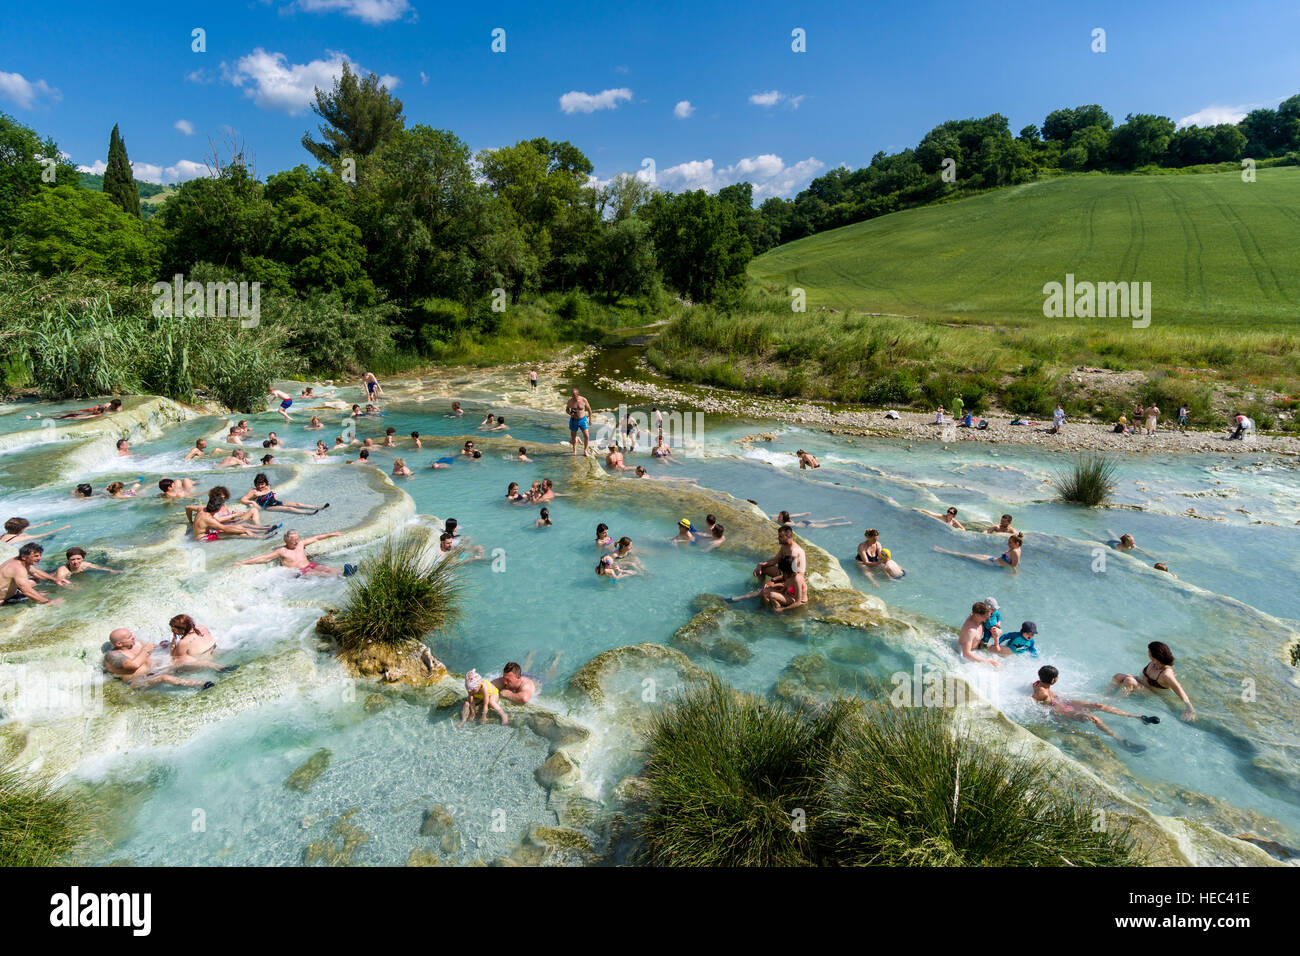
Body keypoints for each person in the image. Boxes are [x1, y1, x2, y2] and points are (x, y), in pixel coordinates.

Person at [1033, 665, 1156, 751]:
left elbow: (1033, 688)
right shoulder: (1041, 692)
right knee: (1094, 718)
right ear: (1054, 679)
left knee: (1098, 705)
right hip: (1062, 711)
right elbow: (1033, 700)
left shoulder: (1039, 683)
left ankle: (1138, 717)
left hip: (1064, 702)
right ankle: (1119, 740)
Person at [1108, 641, 1196, 721]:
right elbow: (1142, 678)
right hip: (1140, 684)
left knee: (1129, 681)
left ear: (1154, 655)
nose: (1148, 653)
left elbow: (1179, 690)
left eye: (1149, 651)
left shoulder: (1166, 674)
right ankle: (1104, 695)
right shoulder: (1154, 663)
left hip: (1151, 693)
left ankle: (1114, 702)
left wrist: (1190, 708)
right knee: (1118, 676)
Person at [102, 628, 211, 689]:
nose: (133, 637)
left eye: (131, 635)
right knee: (165, 678)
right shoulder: (112, 655)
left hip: (155, 670)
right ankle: (202, 685)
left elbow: (152, 650)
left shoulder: (137, 644)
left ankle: (221, 668)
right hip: (137, 681)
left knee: (184, 660)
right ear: (119, 643)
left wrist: (162, 646)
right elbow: (132, 666)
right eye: (129, 637)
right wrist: (145, 650)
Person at [234, 529, 355, 577]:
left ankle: (344, 574)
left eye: (298, 539)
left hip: (310, 565)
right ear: (286, 540)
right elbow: (265, 558)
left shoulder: (300, 544)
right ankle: (343, 577)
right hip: (300, 572)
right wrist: (243, 562)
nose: (297, 541)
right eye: (294, 540)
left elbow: (316, 538)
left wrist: (332, 534)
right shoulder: (282, 551)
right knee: (319, 574)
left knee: (327, 568)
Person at [1, 543, 67, 606]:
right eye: (36, 556)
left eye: (40, 555)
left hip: (11, 593)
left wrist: (55, 580)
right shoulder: (18, 568)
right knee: (41, 595)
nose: (39, 558)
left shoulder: (18, 560)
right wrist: (48, 601)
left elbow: (35, 572)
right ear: (24, 557)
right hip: (2, 600)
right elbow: (27, 591)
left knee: (35, 581)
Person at [933, 533, 1023, 572]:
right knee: (970, 555)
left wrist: (1013, 577)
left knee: (966, 556)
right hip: (993, 559)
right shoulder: (1017, 548)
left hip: (993, 563)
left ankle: (944, 552)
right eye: (1008, 541)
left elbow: (1014, 565)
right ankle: (944, 551)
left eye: (1010, 542)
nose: (1008, 544)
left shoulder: (1015, 551)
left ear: (1017, 543)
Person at [240, 474, 327, 515]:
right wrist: (253, 503)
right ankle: (309, 512)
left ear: (266, 483)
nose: (260, 486)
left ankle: (319, 507)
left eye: (262, 484)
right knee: (289, 508)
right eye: (258, 484)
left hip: (276, 502)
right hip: (268, 507)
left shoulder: (268, 487)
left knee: (298, 504)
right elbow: (243, 499)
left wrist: (274, 494)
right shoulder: (254, 491)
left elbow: (272, 493)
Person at [957, 602, 1000, 668]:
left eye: (990, 615)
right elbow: (966, 654)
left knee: (1004, 652)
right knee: (992, 666)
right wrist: (988, 662)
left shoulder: (981, 619)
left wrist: (998, 631)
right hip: (967, 655)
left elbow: (995, 631)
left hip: (980, 646)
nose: (989, 619)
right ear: (977, 615)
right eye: (986, 617)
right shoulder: (970, 630)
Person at [55, 546, 122, 580]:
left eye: (78, 559)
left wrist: (113, 571)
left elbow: (100, 567)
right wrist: (74, 588)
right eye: (72, 559)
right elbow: (61, 582)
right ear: (68, 560)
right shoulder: (62, 571)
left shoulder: (85, 564)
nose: (76, 562)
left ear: (83, 559)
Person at [565, 388, 593, 456]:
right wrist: (570, 413)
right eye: (572, 395)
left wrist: (590, 419)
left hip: (583, 420)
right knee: (573, 436)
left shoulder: (583, 399)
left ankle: (585, 451)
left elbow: (589, 409)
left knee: (586, 435)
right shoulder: (570, 401)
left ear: (578, 394)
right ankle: (574, 450)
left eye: (574, 395)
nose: (573, 397)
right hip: (573, 420)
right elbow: (567, 409)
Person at [2, 518, 69, 544]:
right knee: (48, 538)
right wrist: (62, 528)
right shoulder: (23, 537)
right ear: (20, 529)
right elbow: (44, 534)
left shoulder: (4, 535)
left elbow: (27, 528)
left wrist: (43, 524)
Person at [773, 509, 850, 528]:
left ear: (783, 519)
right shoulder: (789, 518)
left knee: (828, 525)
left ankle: (846, 523)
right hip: (804, 521)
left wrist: (774, 522)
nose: (778, 517)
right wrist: (806, 513)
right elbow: (798, 515)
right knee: (825, 520)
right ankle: (841, 517)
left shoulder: (786, 524)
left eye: (779, 516)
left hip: (807, 525)